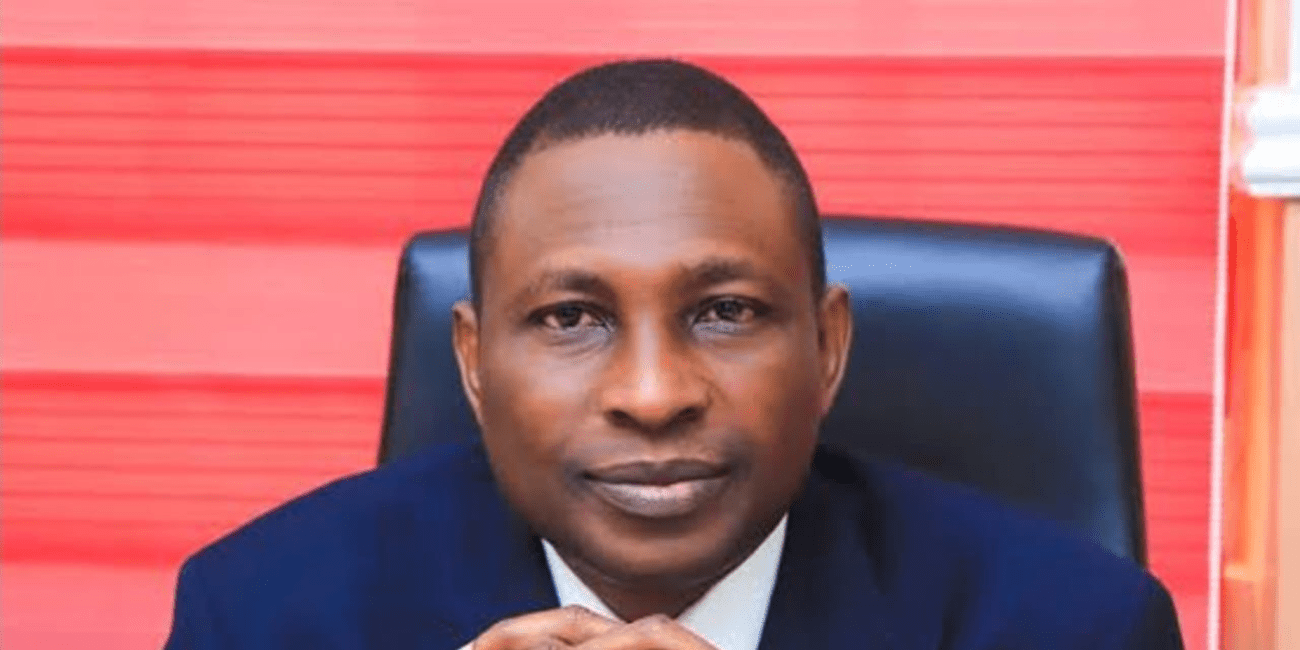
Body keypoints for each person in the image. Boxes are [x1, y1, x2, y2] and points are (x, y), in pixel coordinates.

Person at [162, 59, 1185, 650]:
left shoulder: (1075, 629)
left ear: (827, 346)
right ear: (472, 361)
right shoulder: (263, 616)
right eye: (571, 317)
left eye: (725, 311)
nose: (652, 395)